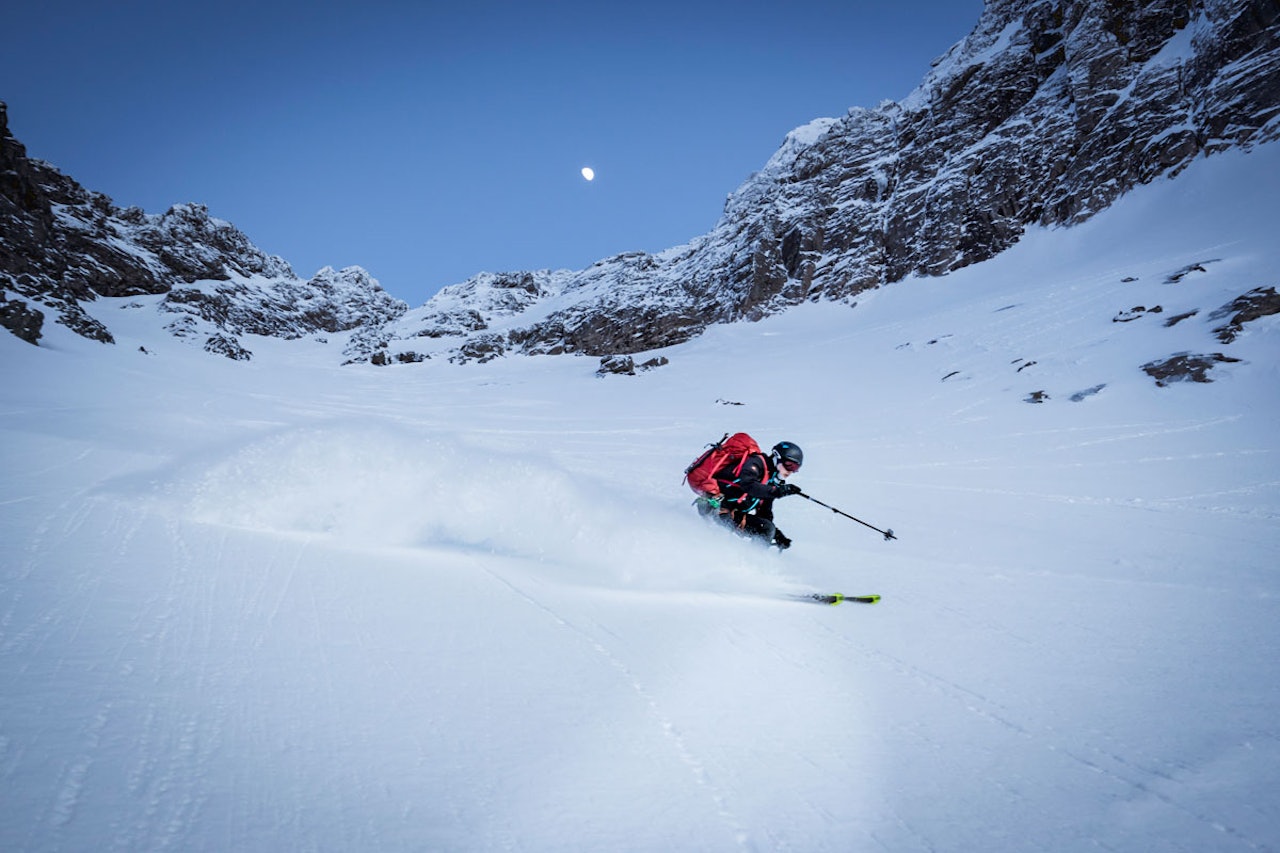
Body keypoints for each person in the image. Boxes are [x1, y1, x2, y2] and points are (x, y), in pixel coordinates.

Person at [697, 441, 804, 549]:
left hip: (731, 513)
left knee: (766, 528)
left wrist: (777, 535)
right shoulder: (756, 463)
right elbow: (748, 485)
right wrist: (777, 491)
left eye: (795, 468)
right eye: (789, 465)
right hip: (714, 506)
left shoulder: (771, 481)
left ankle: (754, 557)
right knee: (765, 529)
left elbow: (764, 513)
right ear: (777, 457)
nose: (790, 471)